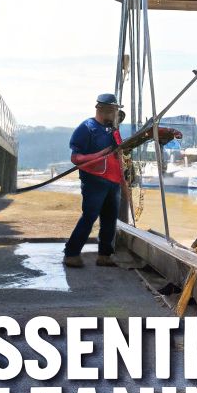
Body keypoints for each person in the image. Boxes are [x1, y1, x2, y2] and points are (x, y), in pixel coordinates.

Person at [63, 94, 127, 268]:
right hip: (94, 180)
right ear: (103, 110)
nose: (116, 114)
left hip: (113, 181)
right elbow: (75, 158)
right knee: (90, 216)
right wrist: (98, 155)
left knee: (110, 219)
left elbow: (119, 153)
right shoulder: (87, 127)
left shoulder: (113, 130)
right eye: (114, 111)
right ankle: (71, 253)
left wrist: (123, 176)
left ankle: (105, 255)